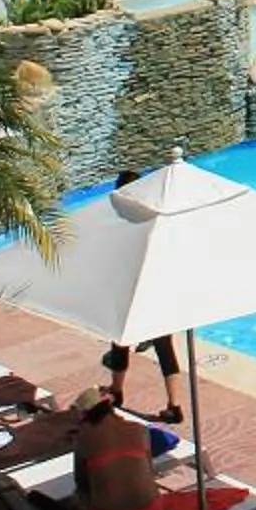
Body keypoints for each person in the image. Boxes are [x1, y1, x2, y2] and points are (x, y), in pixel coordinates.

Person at [74, 394, 256, 510]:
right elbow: (147, 469)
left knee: (79, 500)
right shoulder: (139, 430)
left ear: (86, 418)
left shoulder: (83, 439)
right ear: (111, 409)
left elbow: (81, 484)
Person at [101, 171, 185, 422]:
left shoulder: (120, 219)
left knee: (120, 341)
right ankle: (175, 405)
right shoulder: (155, 215)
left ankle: (116, 391)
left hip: (132, 289)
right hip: (157, 289)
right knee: (165, 348)